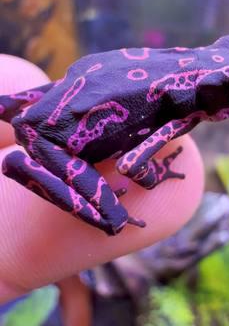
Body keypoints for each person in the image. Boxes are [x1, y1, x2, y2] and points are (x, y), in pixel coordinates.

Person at [0, 54, 204, 304]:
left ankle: (9, 110)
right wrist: (156, 174)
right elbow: (131, 165)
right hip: (54, 140)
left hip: (55, 102)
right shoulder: (180, 114)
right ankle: (20, 165)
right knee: (115, 218)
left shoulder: (172, 58)